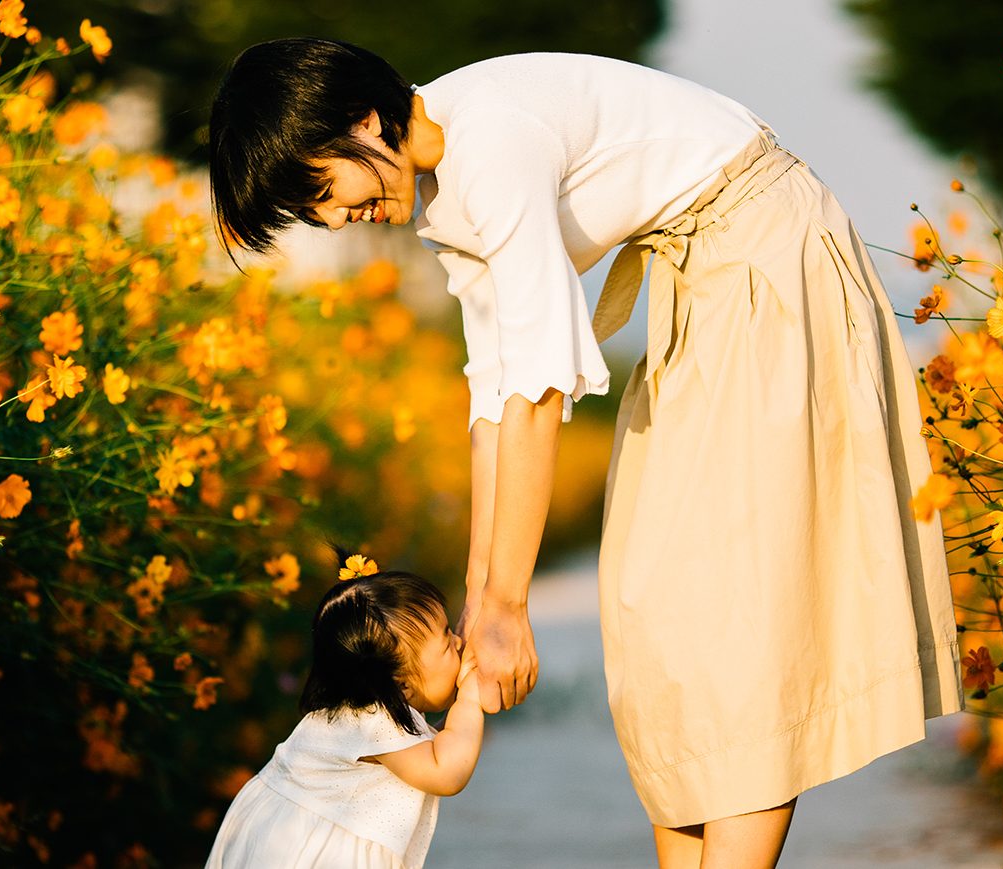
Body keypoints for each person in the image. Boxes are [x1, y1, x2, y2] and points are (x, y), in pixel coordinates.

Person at [209, 40, 962, 868]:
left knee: (739, 626)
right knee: (653, 614)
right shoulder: (443, 195)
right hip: (700, 276)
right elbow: (495, 393)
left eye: (321, 190)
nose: (330, 217)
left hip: (762, 256)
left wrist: (511, 605)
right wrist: (482, 591)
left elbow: (535, 392)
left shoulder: (488, 144)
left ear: (360, 121)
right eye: (311, 213)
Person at [205, 571, 486, 869]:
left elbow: (434, 749)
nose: (458, 642)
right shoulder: (371, 719)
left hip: (290, 831)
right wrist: (471, 696)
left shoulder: (361, 709)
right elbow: (446, 772)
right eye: (446, 642)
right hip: (306, 847)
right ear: (401, 684)